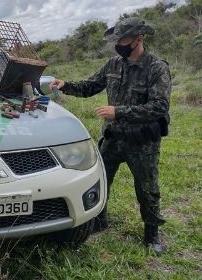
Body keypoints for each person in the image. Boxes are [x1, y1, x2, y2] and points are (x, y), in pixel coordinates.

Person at [49, 17, 171, 255]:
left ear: (139, 38)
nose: (119, 43)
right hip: (113, 138)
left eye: (123, 39)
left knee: (147, 188)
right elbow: (90, 86)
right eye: (117, 39)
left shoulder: (156, 67)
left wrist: (118, 111)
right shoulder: (113, 64)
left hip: (142, 141)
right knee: (101, 180)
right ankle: (98, 219)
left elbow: (159, 106)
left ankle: (152, 233)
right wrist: (65, 85)